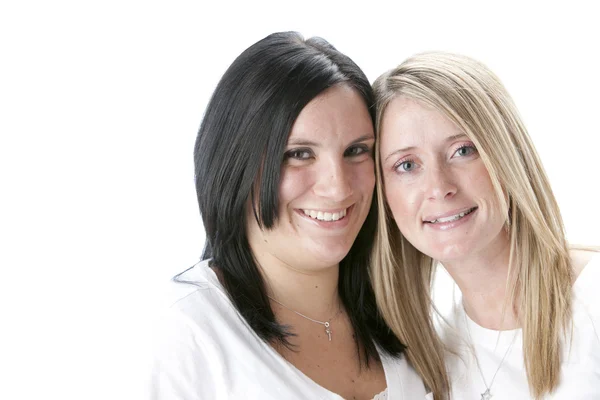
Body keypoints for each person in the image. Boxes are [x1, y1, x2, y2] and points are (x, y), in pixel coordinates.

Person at [147, 32, 426, 399]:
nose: (338, 187)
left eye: (356, 150)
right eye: (299, 154)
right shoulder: (186, 334)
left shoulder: (403, 320)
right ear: (236, 165)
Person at [371, 51, 599, 399]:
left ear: (507, 154)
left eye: (463, 150)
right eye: (406, 165)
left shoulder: (592, 301)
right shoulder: (431, 369)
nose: (439, 187)